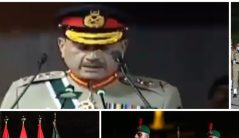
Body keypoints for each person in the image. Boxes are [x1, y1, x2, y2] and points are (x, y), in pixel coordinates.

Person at [0, 4, 182, 109]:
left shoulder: (159, 98)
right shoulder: (23, 93)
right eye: (83, 47)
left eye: (103, 47)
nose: (93, 56)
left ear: (123, 47)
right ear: (61, 47)